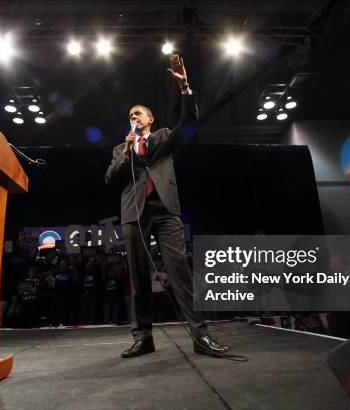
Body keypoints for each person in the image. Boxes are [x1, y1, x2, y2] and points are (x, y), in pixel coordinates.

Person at [105, 54, 229, 358]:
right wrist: (125, 151)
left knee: (180, 271)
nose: (133, 118)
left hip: (165, 210)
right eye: (130, 115)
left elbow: (188, 123)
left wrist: (185, 87)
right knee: (138, 277)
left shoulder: (162, 139)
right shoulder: (120, 150)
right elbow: (110, 178)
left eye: (138, 114)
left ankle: (201, 337)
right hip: (134, 213)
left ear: (150, 120)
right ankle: (143, 337)